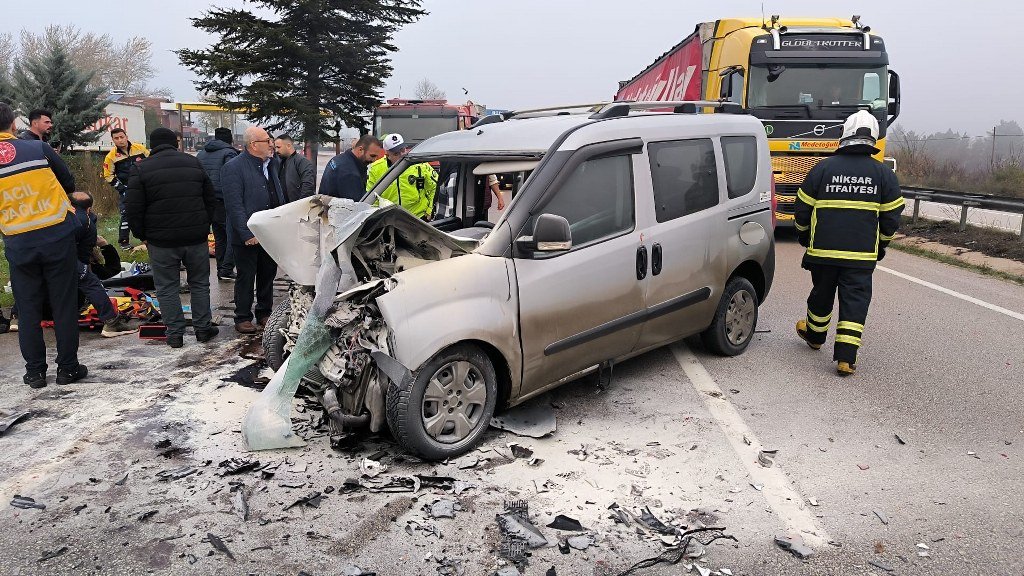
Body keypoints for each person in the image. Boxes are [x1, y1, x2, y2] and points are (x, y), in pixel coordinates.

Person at [794, 110, 904, 376]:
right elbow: (891, 219)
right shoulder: (883, 175)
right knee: (855, 301)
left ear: (845, 135)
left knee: (821, 294)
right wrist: (881, 245)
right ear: (873, 139)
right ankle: (846, 358)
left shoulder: (822, 168)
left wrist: (804, 235)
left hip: (822, 252)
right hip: (861, 256)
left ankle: (815, 337)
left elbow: (802, 209)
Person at [0, 102, 87, 388]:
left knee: (27, 310)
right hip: (55, 237)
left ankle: (35, 373)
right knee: (63, 304)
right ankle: (67, 369)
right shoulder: (38, 150)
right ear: (14, 124)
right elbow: (68, 181)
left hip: (18, 243)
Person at [124, 127, 218, 348]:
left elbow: (133, 208)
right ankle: (203, 329)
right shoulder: (193, 163)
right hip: (195, 238)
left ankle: (175, 334)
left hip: (161, 241)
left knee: (167, 287)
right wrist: (204, 226)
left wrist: (142, 236)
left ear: (152, 145)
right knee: (199, 283)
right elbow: (210, 198)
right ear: (175, 143)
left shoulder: (141, 168)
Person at [221, 126, 284, 334]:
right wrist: (246, 234)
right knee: (246, 276)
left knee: (268, 274)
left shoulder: (272, 164)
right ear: (254, 145)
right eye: (267, 141)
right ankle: (242, 317)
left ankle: (264, 312)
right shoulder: (233, 168)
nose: (271, 144)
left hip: (270, 232)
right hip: (248, 235)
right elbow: (234, 205)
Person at [68, 192, 136, 338]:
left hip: (47, 307)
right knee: (90, 282)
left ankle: (17, 318)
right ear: (88, 209)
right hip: (72, 294)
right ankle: (112, 322)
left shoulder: (59, 217)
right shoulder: (84, 223)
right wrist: (105, 246)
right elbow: (111, 271)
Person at [197, 127, 239, 281]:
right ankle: (226, 269)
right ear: (230, 139)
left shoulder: (202, 153)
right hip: (224, 200)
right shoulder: (230, 153)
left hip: (207, 201)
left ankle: (221, 268)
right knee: (233, 235)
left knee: (219, 237)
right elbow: (232, 177)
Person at [366, 133, 437, 219]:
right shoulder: (376, 168)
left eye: (403, 150)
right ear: (388, 155)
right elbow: (373, 196)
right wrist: (377, 217)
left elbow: (434, 187)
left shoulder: (420, 164)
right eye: (396, 153)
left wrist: (429, 210)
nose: (402, 154)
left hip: (418, 216)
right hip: (391, 219)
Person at [102, 127, 149, 248]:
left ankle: (150, 238)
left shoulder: (140, 148)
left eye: (122, 137)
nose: (120, 140)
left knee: (149, 211)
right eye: (116, 138)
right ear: (113, 140)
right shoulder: (111, 156)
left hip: (145, 186)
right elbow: (108, 175)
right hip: (127, 189)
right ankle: (124, 242)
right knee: (126, 214)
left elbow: (151, 162)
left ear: (126, 137)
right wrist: (122, 189)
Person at [319, 135, 383, 200]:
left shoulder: (339, 159)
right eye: (372, 156)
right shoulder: (350, 174)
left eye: (376, 157)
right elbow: (356, 206)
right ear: (360, 150)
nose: (374, 160)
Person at [274, 134, 316, 203]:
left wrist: (299, 206)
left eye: (278, 147)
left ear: (288, 146)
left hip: (297, 208)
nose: (276, 150)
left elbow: (308, 187)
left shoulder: (302, 162)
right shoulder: (282, 162)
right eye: (275, 148)